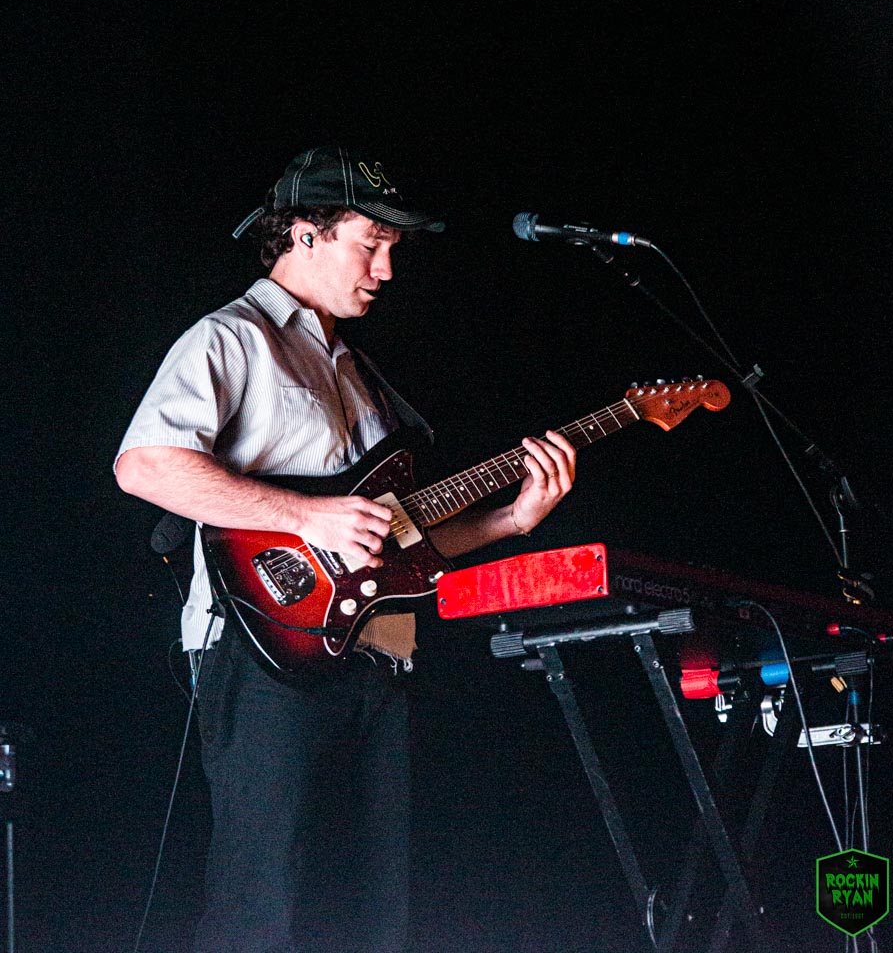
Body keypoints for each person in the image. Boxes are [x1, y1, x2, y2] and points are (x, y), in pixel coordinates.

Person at [115, 145, 577, 952]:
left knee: (376, 912)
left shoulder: (361, 373)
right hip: (266, 652)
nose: (386, 270)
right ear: (304, 233)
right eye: (372, 244)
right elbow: (144, 465)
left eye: (392, 249)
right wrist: (308, 517)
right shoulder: (232, 338)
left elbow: (397, 538)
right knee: (265, 906)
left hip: (378, 655)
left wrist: (512, 521)